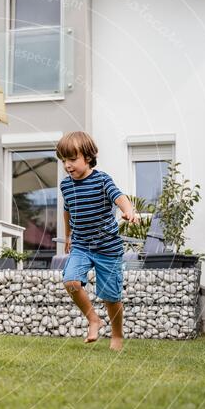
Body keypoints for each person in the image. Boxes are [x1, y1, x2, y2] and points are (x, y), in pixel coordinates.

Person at [58, 131, 140, 352]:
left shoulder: (102, 180)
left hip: (108, 249)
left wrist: (129, 210)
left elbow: (119, 197)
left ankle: (117, 334)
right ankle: (93, 319)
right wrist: (68, 235)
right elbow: (68, 211)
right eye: (64, 160)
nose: (67, 165)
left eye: (72, 159)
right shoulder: (66, 185)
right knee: (71, 282)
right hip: (82, 246)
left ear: (88, 157)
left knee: (111, 297)